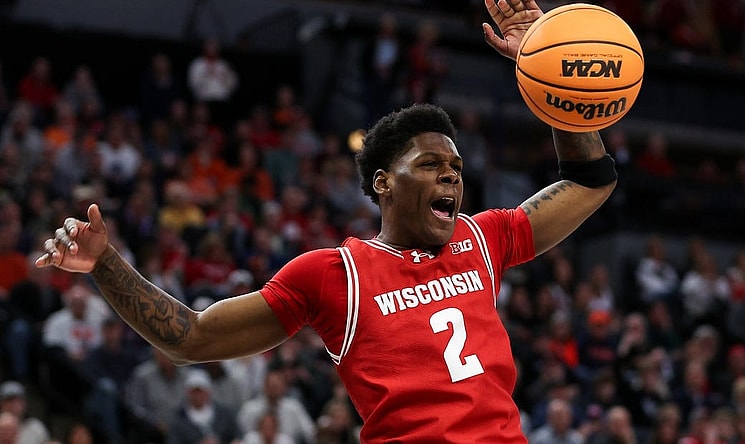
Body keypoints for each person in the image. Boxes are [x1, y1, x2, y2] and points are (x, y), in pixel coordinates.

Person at [34, 1, 619, 441]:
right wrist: (105, 264)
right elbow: (191, 338)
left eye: (457, 167)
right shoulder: (335, 275)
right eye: (431, 165)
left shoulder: (481, 238)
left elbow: (591, 180)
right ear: (383, 183)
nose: (451, 177)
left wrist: (553, 75)